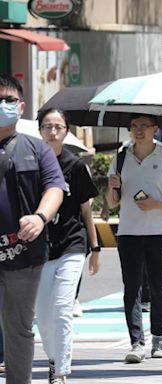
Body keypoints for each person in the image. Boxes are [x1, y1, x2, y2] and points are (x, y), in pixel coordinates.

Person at [0, 74, 65, 383]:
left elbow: (55, 189)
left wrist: (40, 217)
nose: (3, 105)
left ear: (21, 106)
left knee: (18, 327)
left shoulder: (37, 149)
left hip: (23, 256)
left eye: (9, 100)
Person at [35, 108, 100, 383]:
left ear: (66, 131)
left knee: (62, 309)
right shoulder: (30, 164)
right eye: (47, 126)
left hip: (72, 244)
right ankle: (52, 359)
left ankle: (60, 372)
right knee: (43, 316)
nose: (52, 131)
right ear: (39, 130)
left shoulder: (75, 166)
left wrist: (95, 249)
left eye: (58, 127)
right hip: (39, 249)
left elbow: (86, 212)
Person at [106, 113, 162, 363]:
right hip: (128, 233)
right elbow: (112, 202)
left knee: (158, 289)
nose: (138, 130)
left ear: (155, 129)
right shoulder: (121, 157)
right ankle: (137, 342)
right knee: (131, 289)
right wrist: (112, 186)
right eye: (134, 126)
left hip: (159, 232)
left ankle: (158, 338)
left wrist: (156, 205)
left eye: (144, 126)